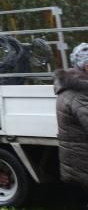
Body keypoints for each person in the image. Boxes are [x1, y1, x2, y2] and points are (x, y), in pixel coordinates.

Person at [56, 42, 88, 195]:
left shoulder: (73, 87)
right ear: (86, 67)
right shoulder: (80, 93)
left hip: (77, 158)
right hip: (82, 159)